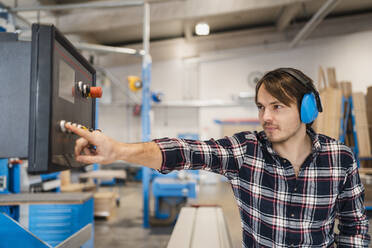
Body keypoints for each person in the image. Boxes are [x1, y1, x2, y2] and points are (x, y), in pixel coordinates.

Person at [66, 68, 370, 247]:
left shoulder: (340, 158)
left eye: (276, 106)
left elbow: (354, 228)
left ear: (306, 110)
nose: (265, 116)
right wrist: (118, 150)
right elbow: (185, 151)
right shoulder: (247, 151)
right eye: (261, 107)